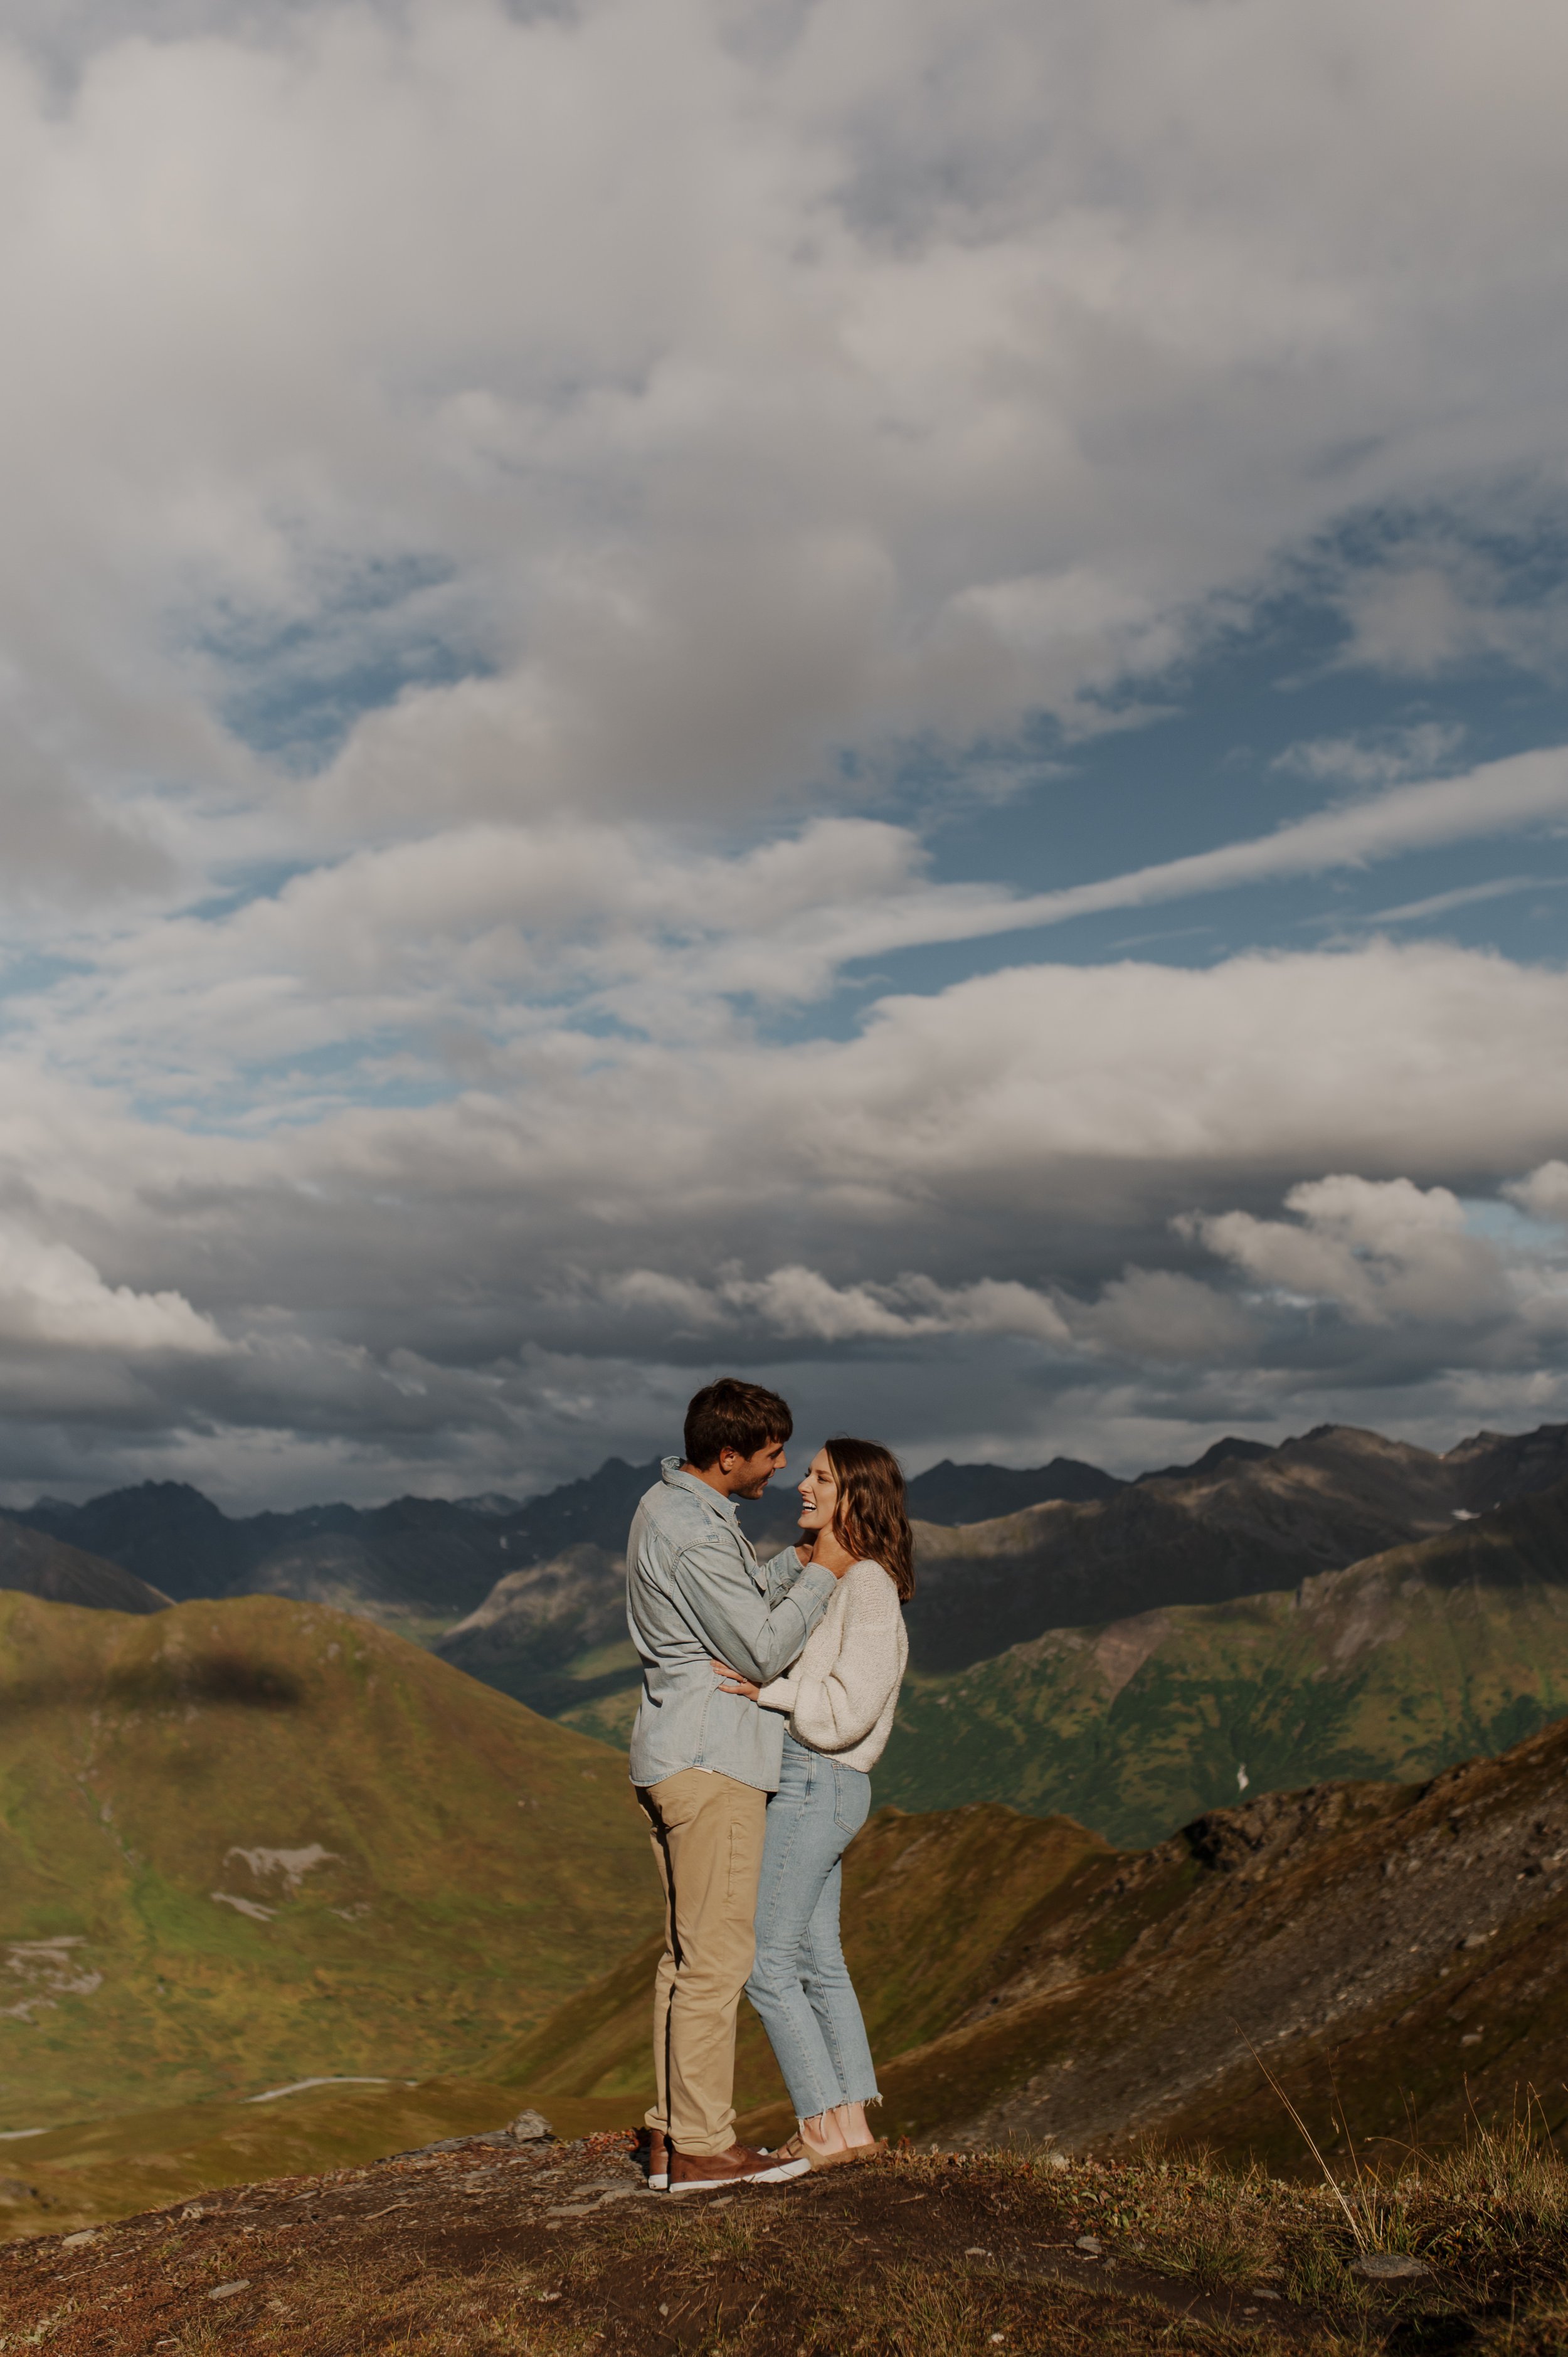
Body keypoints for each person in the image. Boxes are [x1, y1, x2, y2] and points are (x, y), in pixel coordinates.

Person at [625, 1378, 839, 2192]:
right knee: (717, 1958)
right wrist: (827, 1574)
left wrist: (793, 1561)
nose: (781, 1467)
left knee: (684, 1956)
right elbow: (758, 1649)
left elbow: (734, 1599)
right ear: (728, 1455)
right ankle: (706, 2150)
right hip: (713, 1762)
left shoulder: (675, 1509)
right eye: (772, 1452)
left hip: (672, 1748)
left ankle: (669, 2132)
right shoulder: (695, 1533)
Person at [713, 1436, 912, 2169]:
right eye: (806, 1472)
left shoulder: (865, 1586)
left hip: (814, 1773)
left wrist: (769, 1691)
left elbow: (849, 1708)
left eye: (821, 1477)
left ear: (853, 1496)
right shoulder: (842, 1576)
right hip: (822, 1779)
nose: (803, 1484)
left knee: (766, 1962)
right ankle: (852, 2128)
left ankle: (821, 2130)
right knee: (820, 1960)